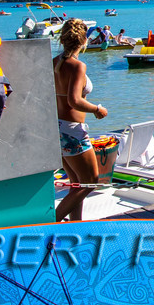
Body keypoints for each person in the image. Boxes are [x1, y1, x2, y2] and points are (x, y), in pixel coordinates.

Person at [53, 19, 108, 222]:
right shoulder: (77, 66)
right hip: (72, 130)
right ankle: (51, 222)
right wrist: (97, 109)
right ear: (84, 40)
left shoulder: (55, 62)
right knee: (90, 181)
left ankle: (76, 224)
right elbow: (74, 100)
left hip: (58, 128)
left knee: (76, 182)